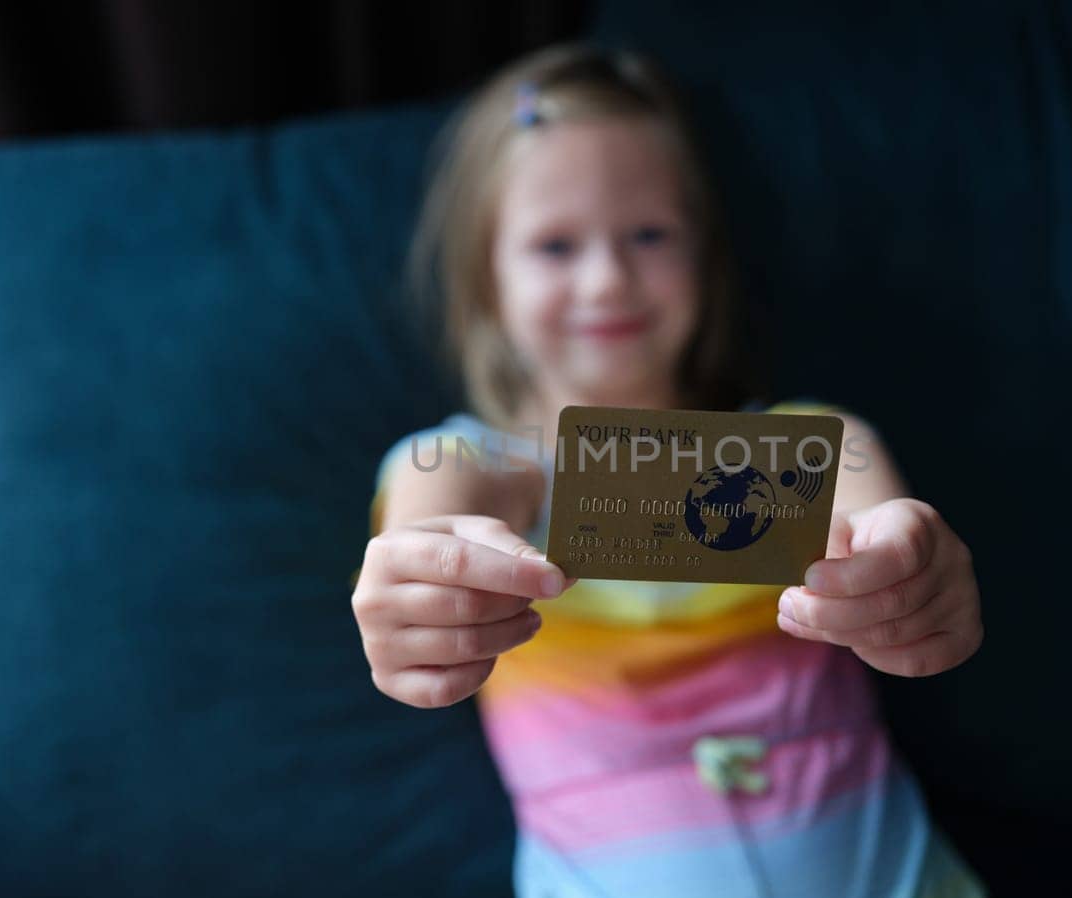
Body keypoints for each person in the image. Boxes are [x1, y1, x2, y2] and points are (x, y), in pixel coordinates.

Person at [352, 43, 986, 898]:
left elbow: (883, 519)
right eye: (554, 245)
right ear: (487, 281)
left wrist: (911, 573)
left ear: (705, 258)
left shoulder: (813, 443)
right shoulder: (476, 465)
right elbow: (435, 517)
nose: (608, 280)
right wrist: (416, 576)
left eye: (649, 234)